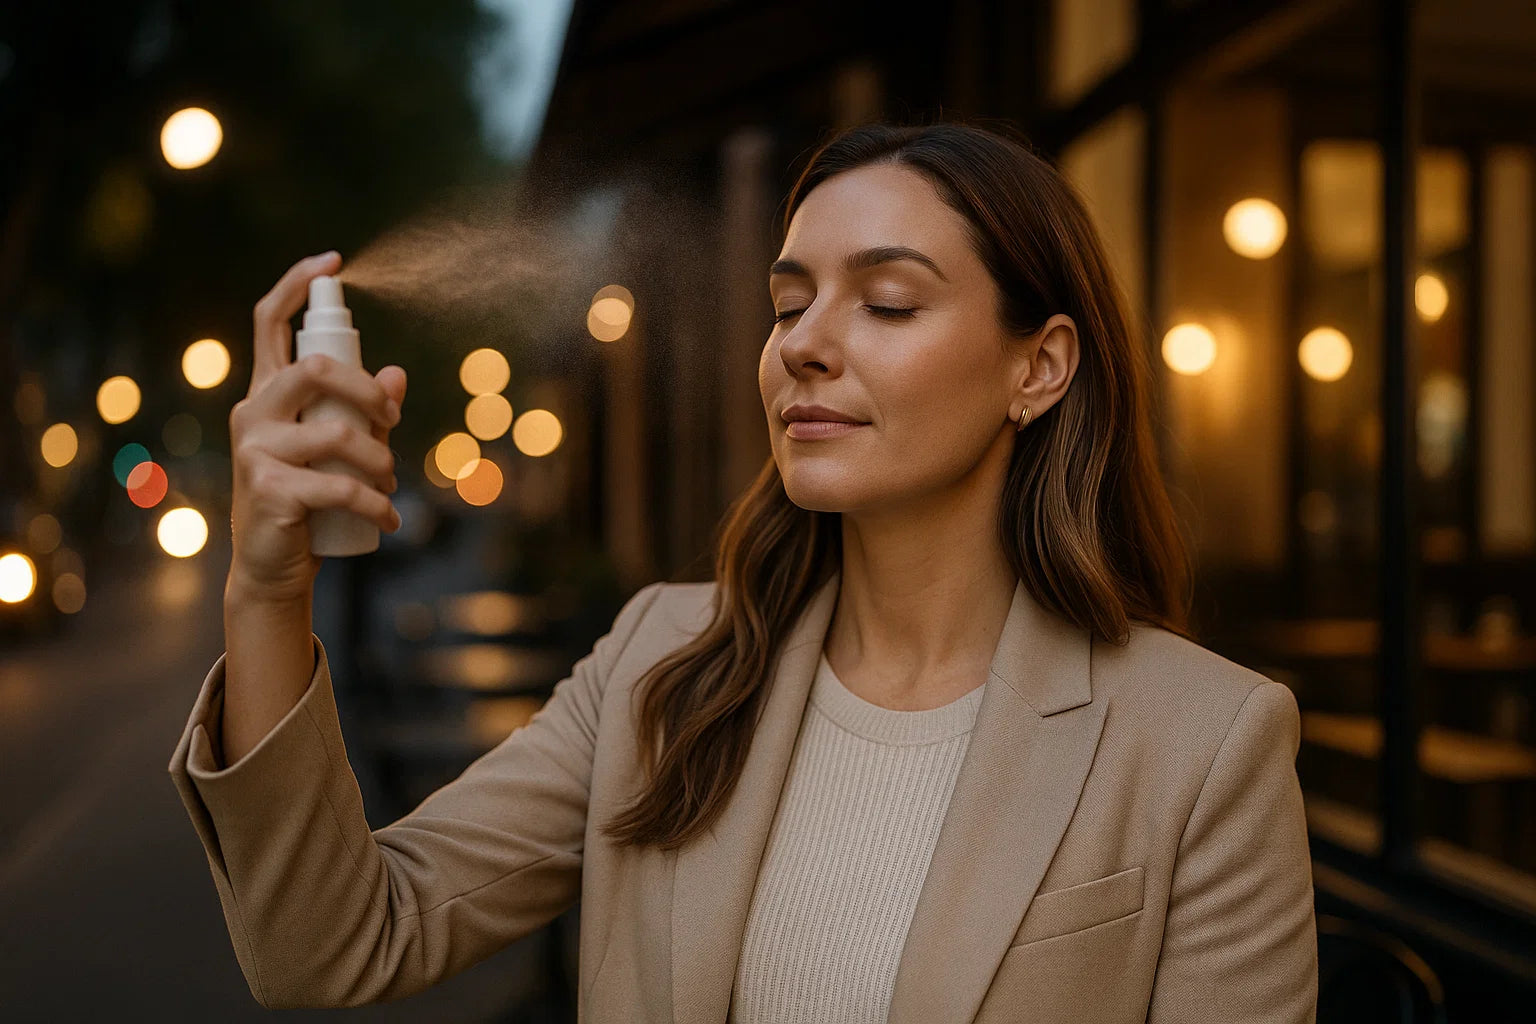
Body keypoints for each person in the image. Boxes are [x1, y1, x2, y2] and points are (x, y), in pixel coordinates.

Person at [169, 119, 1317, 1023]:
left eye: (889, 301)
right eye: (787, 303)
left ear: (1042, 366)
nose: (804, 340)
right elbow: (326, 945)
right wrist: (268, 588)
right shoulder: (661, 667)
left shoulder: (1204, 744)